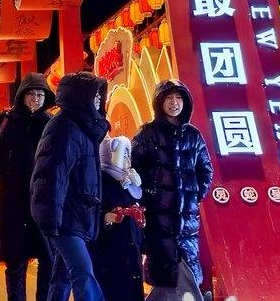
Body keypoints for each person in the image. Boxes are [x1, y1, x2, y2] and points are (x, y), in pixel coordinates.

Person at [0, 72, 56, 301]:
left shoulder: (50, 123)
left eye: (40, 94)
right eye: (31, 94)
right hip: (13, 202)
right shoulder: (4, 121)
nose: (36, 98)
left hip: (44, 201)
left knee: (48, 258)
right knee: (15, 261)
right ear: (22, 95)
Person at [31, 72, 111, 301]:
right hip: (64, 216)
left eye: (100, 96)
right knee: (83, 273)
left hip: (77, 215)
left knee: (62, 277)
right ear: (81, 97)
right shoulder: (64, 126)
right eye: (94, 95)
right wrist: (50, 218)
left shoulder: (84, 129)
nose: (98, 100)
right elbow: (50, 174)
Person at [132, 80, 213, 301]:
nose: (174, 103)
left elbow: (205, 169)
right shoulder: (147, 133)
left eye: (178, 98)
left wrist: (195, 195)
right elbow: (133, 166)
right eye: (168, 98)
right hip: (158, 217)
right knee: (166, 272)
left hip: (187, 220)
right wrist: (148, 194)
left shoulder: (193, 135)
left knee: (184, 269)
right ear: (160, 102)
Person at [91, 135, 145, 301]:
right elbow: (91, 212)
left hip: (131, 249)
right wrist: (105, 218)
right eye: (124, 154)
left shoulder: (129, 182)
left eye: (128, 155)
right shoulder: (99, 182)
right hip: (110, 251)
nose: (127, 159)